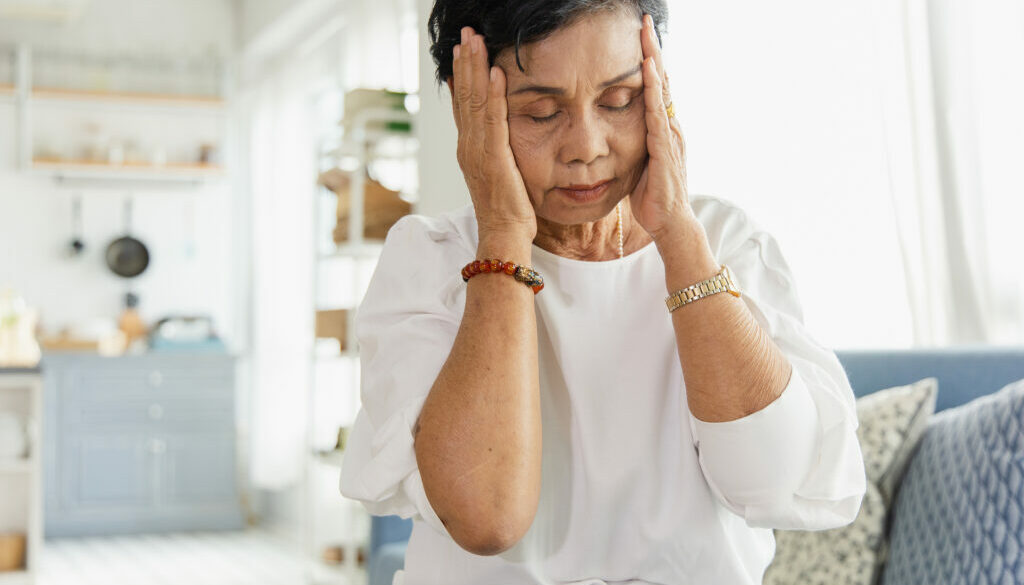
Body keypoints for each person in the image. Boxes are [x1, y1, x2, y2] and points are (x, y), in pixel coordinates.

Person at [340, 1, 867, 583]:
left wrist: (679, 235)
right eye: (541, 113)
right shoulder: (428, 261)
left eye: (618, 100)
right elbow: (487, 517)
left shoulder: (726, 243)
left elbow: (774, 482)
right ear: (467, 104)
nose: (586, 146)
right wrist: (504, 234)